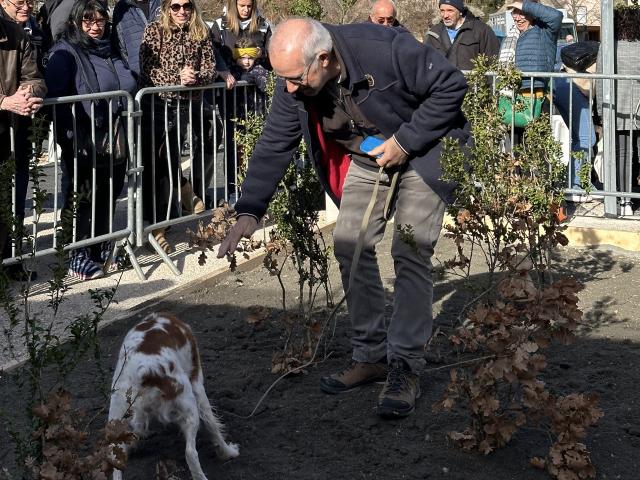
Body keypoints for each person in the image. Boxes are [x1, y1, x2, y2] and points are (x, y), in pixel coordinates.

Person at [217, 18, 469, 418]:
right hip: (367, 154)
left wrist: (405, 141)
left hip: (425, 147)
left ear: (323, 58)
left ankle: (404, 366)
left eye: (296, 79)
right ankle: (370, 355)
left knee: (409, 249)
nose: (288, 88)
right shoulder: (295, 83)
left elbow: (452, 85)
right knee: (349, 244)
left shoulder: (383, 48)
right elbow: (274, 142)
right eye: (284, 79)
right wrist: (250, 209)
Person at [45, 0, 137, 280]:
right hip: (83, 138)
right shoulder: (65, 53)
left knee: (110, 191)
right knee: (83, 195)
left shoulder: (109, 49)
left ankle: (98, 247)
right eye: (88, 20)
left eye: (100, 21)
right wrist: (69, 139)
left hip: (114, 134)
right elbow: (57, 100)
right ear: (75, 22)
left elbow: (129, 82)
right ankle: (75, 253)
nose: (95, 27)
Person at [139, 0, 216, 253]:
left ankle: (165, 220)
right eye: (176, 6)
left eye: (187, 6)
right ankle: (158, 225)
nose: (182, 11)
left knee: (169, 161)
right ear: (166, 8)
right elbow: (147, 68)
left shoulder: (200, 31)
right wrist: (176, 79)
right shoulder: (154, 30)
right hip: (157, 104)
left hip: (185, 105)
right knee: (158, 164)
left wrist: (196, 78)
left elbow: (210, 67)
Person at [0, 12, 45, 281]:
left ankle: (10, 262)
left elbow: (35, 77)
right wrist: (3, 101)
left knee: (7, 203)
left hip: (8, 136)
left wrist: (28, 95)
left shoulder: (16, 34)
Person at [596, 6, 640, 215]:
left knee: (623, 155)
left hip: (616, 109)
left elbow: (600, 81)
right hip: (638, 108)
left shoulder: (608, 46)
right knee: (637, 155)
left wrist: (600, 112)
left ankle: (624, 201)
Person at [425, 0, 499, 71]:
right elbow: (425, 63)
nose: (445, 15)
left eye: (450, 11)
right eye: (442, 11)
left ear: (460, 11)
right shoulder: (434, 33)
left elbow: (493, 62)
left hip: (472, 83)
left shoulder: (481, 30)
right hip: (441, 83)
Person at [211, 0, 271, 70]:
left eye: (249, 6)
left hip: (259, 76)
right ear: (233, 5)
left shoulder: (263, 26)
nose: (246, 10)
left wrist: (262, 53)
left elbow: (272, 54)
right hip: (229, 77)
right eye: (242, 6)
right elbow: (213, 54)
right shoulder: (219, 25)